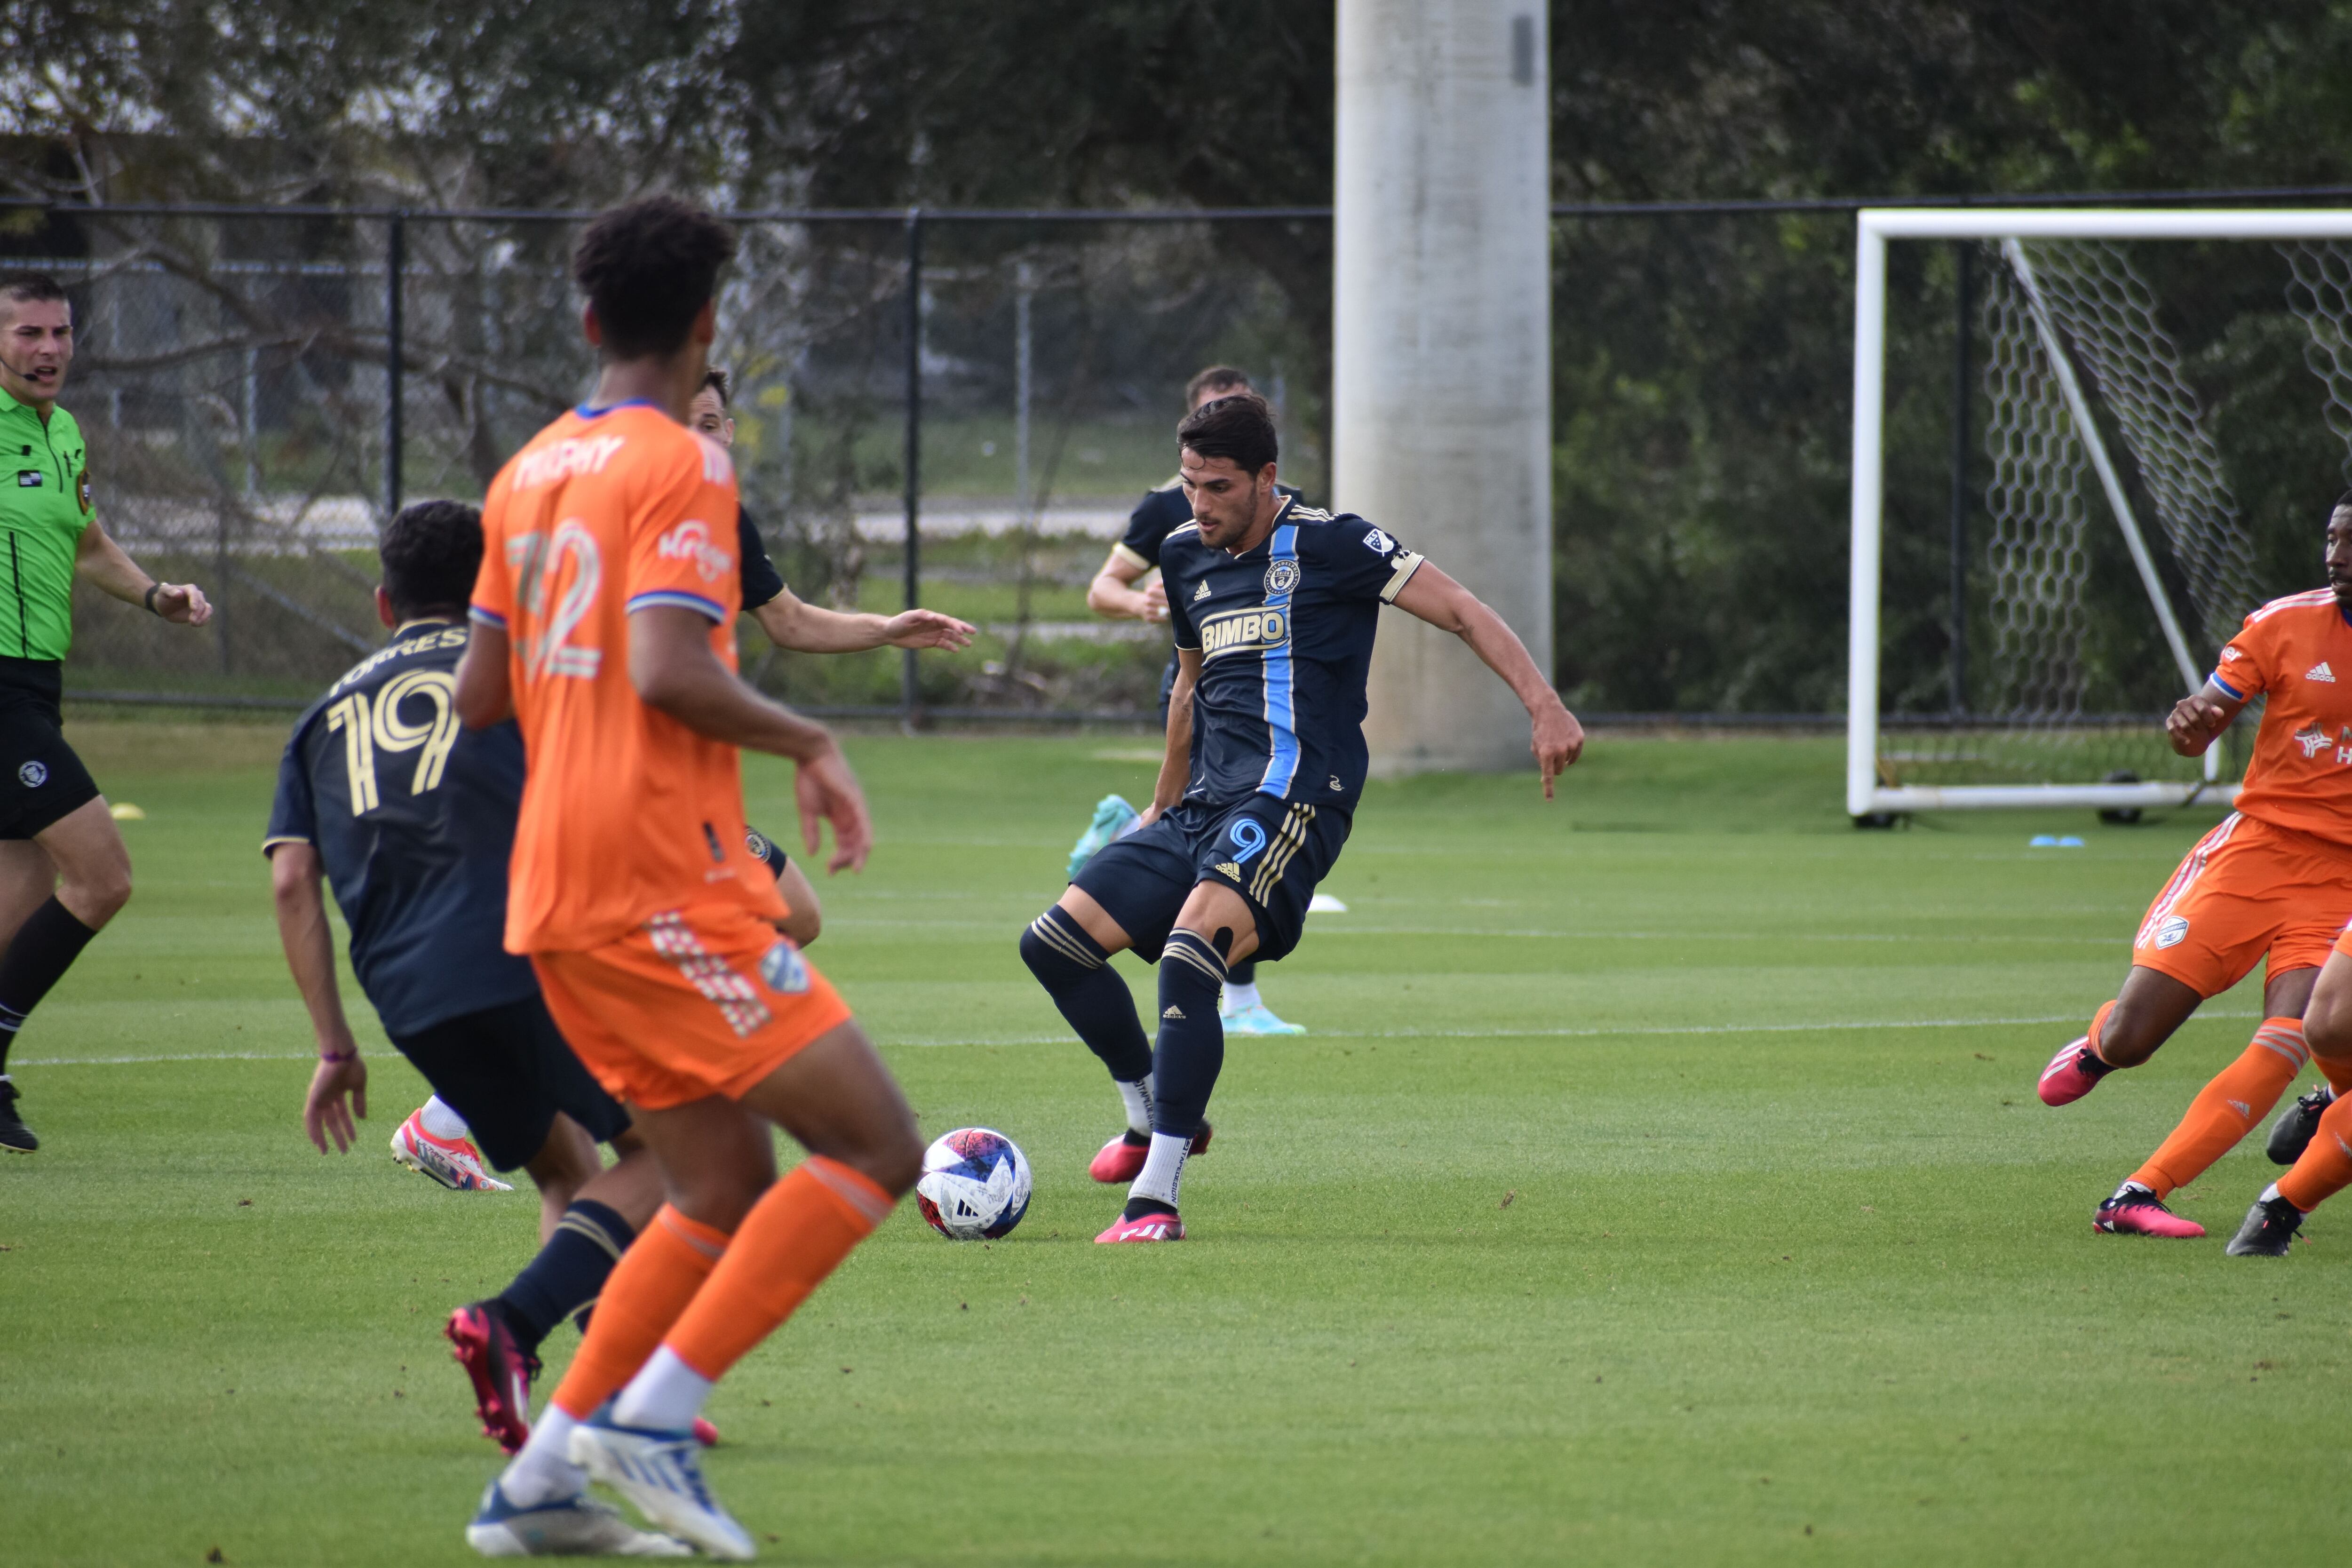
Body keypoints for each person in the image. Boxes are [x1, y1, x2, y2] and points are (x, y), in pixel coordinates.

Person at [457, 195, 922, 1558]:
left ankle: (540, 1481)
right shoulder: (687, 468)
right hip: (659, 882)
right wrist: (810, 734)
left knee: (715, 1174)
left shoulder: (528, 470)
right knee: (880, 1142)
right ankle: (653, 1423)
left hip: (554, 893)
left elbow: (485, 689)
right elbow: (669, 663)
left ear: (590, 320)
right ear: (708, 323)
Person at [381, 370, 975, 1186]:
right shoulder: (628, 505)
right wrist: (804, 742)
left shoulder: (713, 515)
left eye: (717, 421)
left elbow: (790, 620)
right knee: (735, 1129)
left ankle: (490, 1115)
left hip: (660, 788)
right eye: (688, 419)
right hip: (623, 787)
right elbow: (649, 669)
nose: (706, 435)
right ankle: (473, 1113)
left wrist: (886, 628)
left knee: (791, 914)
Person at [270, 497, 769, 1457]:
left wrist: (336, 1044)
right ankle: (512, 1323)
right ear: (496, 590)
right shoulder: (524, 671)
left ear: (383, 604)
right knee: (692, 1154)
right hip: (528, 953)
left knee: (566, 1166)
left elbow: (293, 878)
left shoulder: (321, 715)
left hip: (407, 995)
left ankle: (596, 1396)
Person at [1019, 392, 1581, 1242]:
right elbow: (1187, 688)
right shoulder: (1181, 554)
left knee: (1187, 955)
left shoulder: (1334, 544)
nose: (1199, 503)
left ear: (1266, 477)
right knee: (1054, 944)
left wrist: (1544, 705)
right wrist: (1159, 809)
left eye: (1217, 486)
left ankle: (1156, 1199)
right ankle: (1153, 1113)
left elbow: (1463, 608)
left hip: (1295, 799)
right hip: (1201, 804)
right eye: (1189, 483)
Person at [2036, 493, 2352, 1239]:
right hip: (2253, 853)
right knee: (2137, 1038)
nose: (2337, 556)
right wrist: (2193, 724)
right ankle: (2100, 1044)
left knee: (2293, 1031)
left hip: (2338, 884)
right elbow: (2204, 717)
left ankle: (2137, 1194)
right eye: (2333, 538)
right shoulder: (2282, 625)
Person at [0, 271, 213, 1154]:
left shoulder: (63, 432)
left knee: (26, 882)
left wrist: (155, 594)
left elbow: (87, 544)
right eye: (26, 334)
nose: (48, 349)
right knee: (103, 874)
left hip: (36, 684)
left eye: (60, 332)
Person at [1074, 365, 1307, 1038]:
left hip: (1262, 698)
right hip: (1197, 690)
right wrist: (1142, 601)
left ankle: (1130, 838)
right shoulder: (1165, 510)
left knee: (1232, 829)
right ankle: (1231, 999)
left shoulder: (1285, 511)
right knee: (1223, 827)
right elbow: (1103, 589)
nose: (1204, 497)